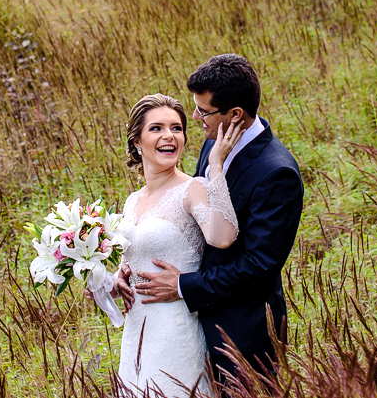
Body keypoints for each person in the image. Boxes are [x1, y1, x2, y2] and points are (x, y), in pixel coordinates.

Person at [118, 55, 305, 389]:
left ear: (235, 115)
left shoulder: (278, 173)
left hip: (241, 330)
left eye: (203, 111)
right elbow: (187, 221)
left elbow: (259, 266)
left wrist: (182, 285)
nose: (194, 119)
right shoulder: (211, 141)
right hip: (180, 323)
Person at [106, 93, 245, 397]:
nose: (169, 136)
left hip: (176, 328)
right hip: (137, 331)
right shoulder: (132, 201)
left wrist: (216, 166)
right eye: (156, 128)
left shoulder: (193, 188)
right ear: (136, 141)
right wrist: (121, 275)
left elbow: (222, 238)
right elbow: (137, 252)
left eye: (177, 128)